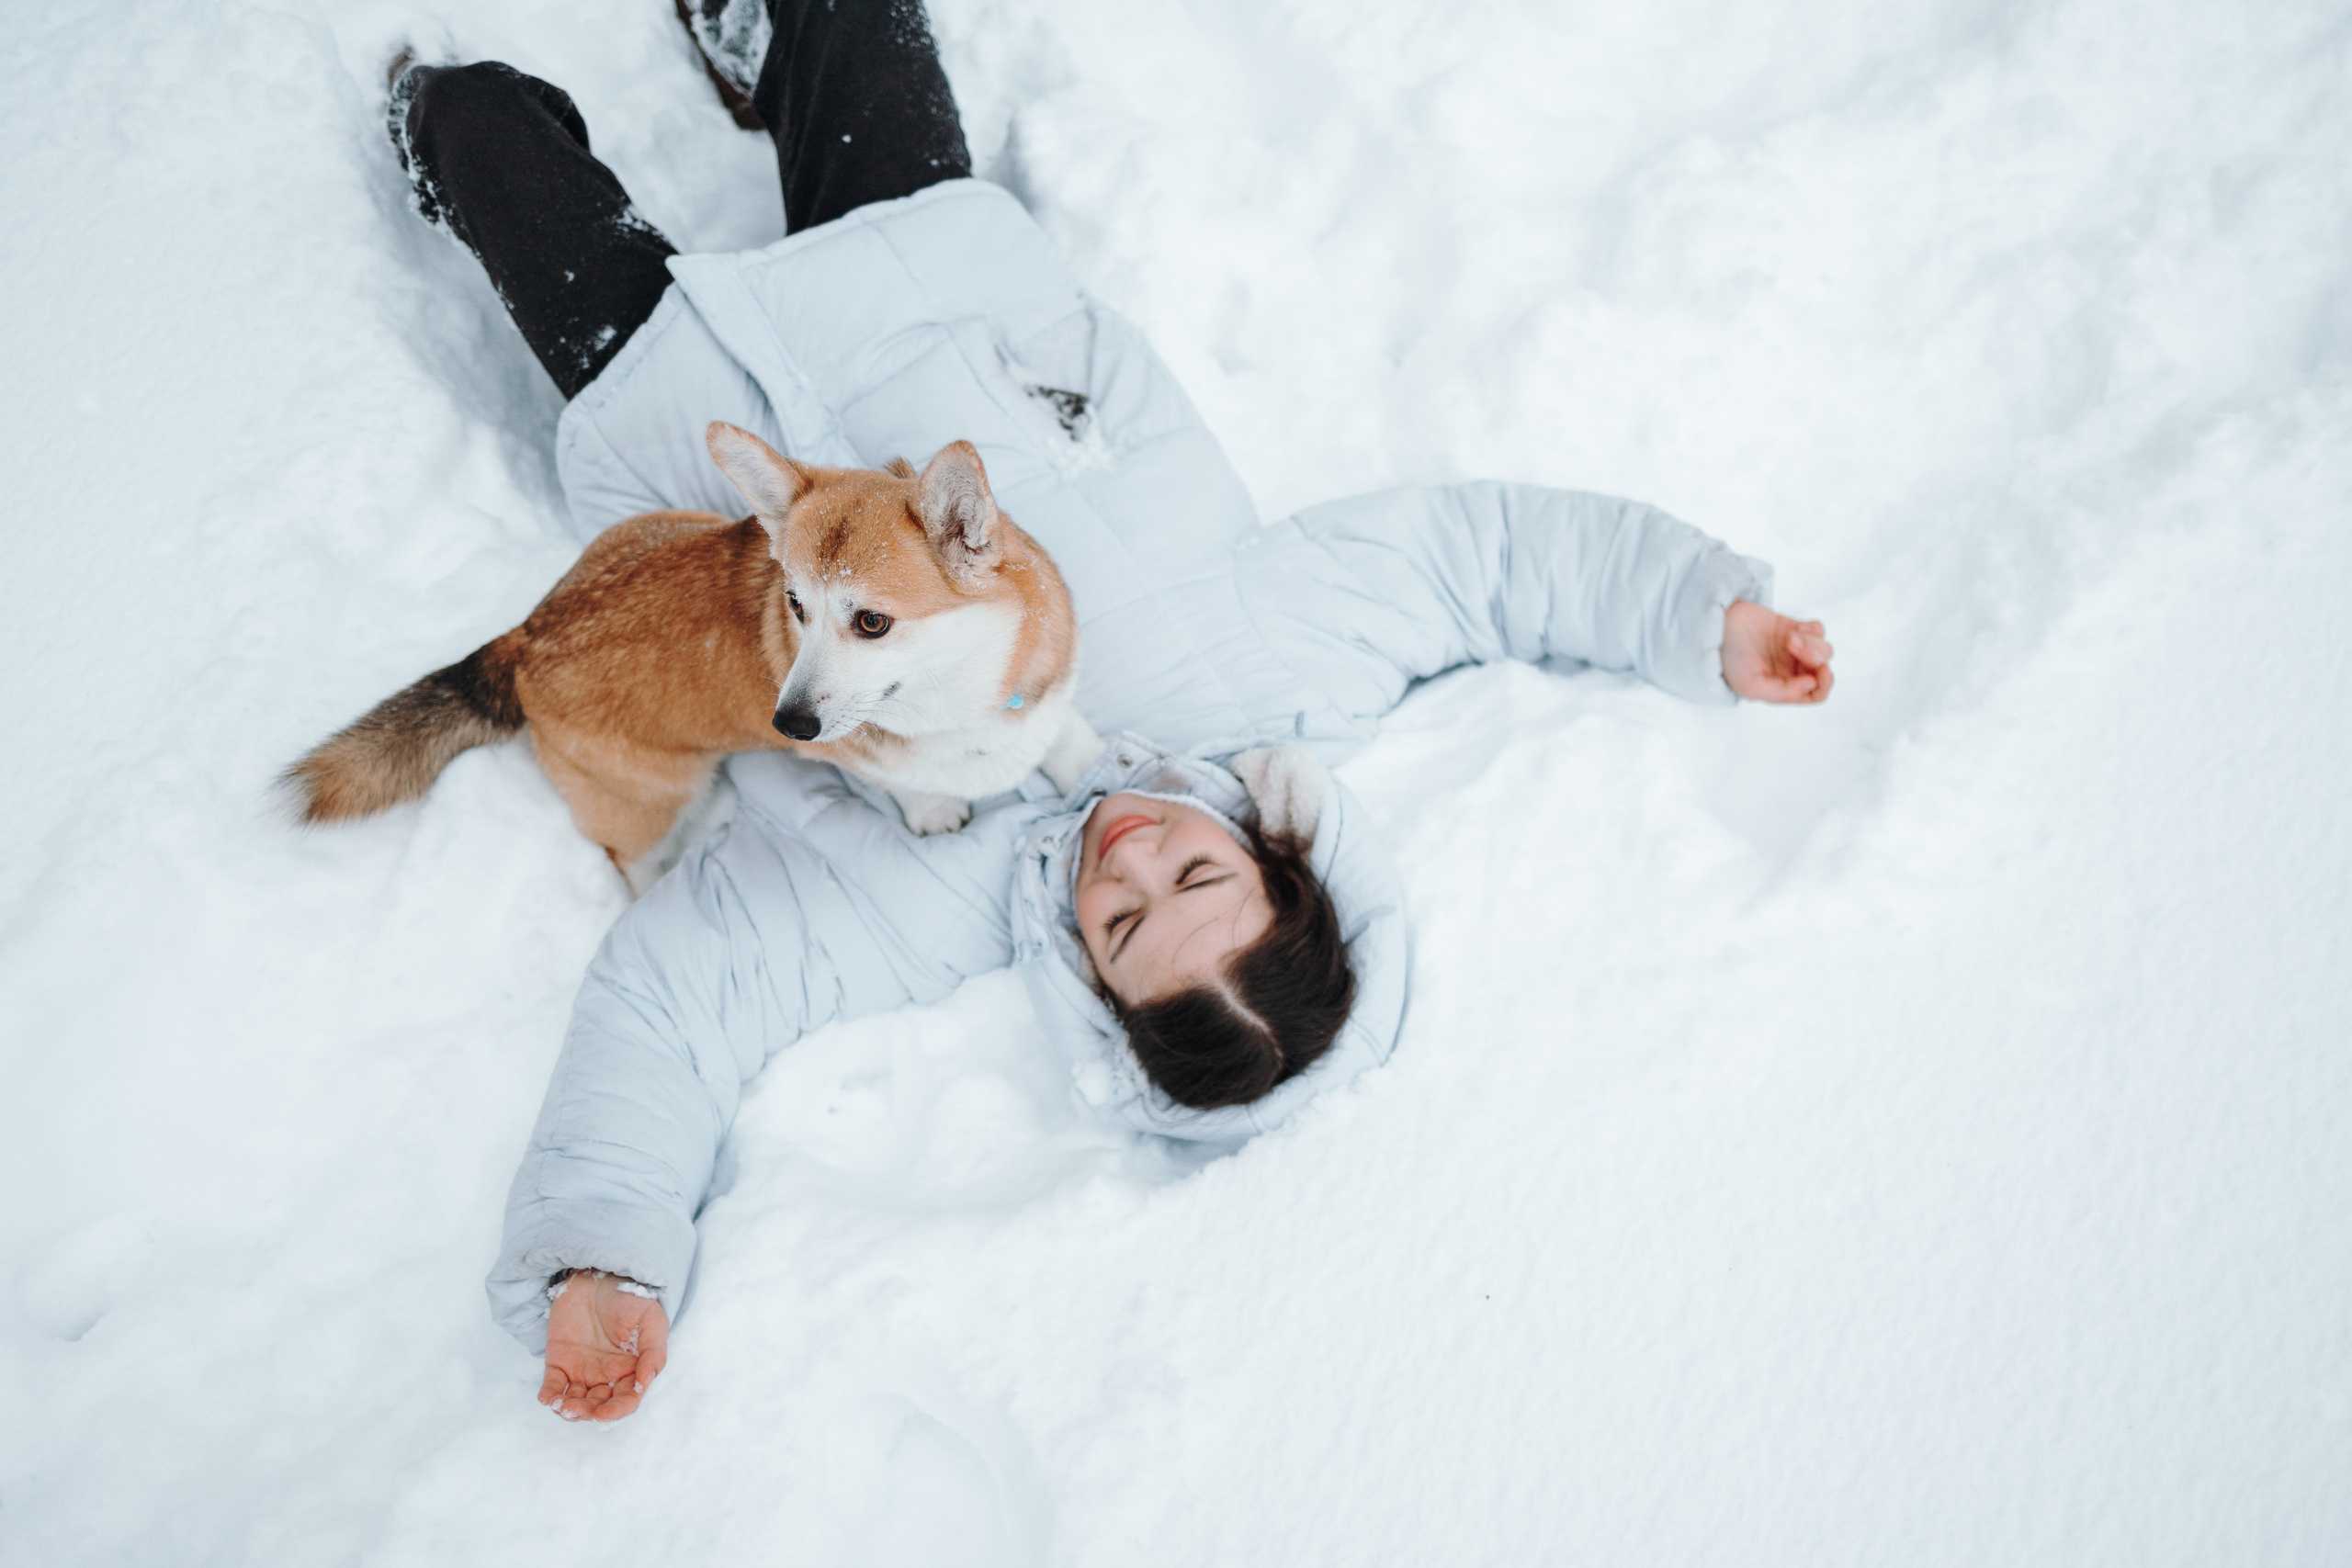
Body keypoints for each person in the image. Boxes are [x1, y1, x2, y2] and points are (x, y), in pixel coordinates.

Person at [389, 0, 1836, 1422]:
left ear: (1090, 980)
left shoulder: (911, 907)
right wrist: (1699, 616)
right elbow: (1489, 562)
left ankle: (439, 135)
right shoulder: (1278, 665)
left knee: (478, 122)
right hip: (931, 285)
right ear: (1276, 853)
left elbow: (676, 1003)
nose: (1130, 856)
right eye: (1196, 871)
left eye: (1127, 925)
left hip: (691, 413)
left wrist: (606, 1251)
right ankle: (776, 49)